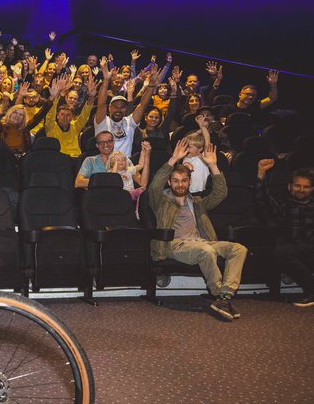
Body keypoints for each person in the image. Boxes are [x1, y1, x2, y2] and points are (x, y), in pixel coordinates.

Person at [148, 139, 247, 321]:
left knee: (238, 249)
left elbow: (220, 194)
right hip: (174, 245)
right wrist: (173, 159)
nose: (180, 185)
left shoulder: (197, 202)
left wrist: (213, 166)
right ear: (169, 182)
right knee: (206, 251)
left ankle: (225, 296)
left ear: (189, 182)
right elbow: (154, 186)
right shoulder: (160, 201)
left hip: (201, 242)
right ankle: (221, 296)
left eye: (184, 181)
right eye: (176, 181)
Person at [255, 160, 314, 307]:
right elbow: (262, 199)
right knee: (281, 252)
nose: (301, 189)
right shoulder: (284, 205)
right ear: (290, 187)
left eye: (306, 187)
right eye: (297, 185)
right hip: (298, 250)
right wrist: (261, 174)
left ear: (312, 189)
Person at [76, 130, 151, 189]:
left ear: (114, 142)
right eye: (101, 142)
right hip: (97, 199)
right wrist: (109, 180)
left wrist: (147, 155)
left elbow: (142, 183)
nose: (105, 145)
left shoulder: (124, 160)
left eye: (109, 141)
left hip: (120, 199)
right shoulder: (89, 160)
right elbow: (78, 183)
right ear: (97, 145)